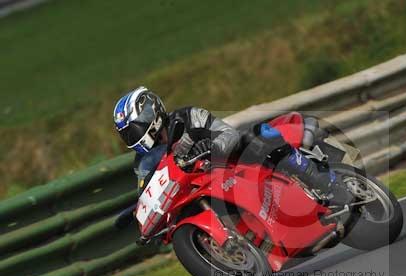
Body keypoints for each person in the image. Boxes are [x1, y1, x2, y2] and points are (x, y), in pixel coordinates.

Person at [112, 87, 351, 229]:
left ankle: (324, 182)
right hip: (201, 190)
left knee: (260, 137)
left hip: (233, 164)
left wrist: (211, 151)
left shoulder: (186, 117)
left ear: (149, 113)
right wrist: (136, 210)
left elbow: (226, 133)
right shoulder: (143, 164)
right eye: (126, 133)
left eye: (133, 128)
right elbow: (147, 190)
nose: (131, 136)